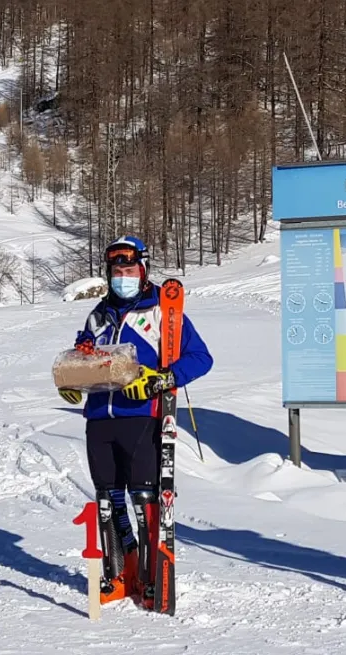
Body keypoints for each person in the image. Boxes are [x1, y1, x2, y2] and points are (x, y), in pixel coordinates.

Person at [58, 236, 212, 603]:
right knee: (108, 500)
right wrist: (72, 379)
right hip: (100, 418)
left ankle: (149, 575)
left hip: (141, 415)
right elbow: (86, 357)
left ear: (143, 270)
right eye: (116, 271)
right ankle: (118, 573)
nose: (122, 277)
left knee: (143, 498)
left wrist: (163, 379)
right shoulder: (97, 315)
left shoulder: (162, 311)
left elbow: (200, 358)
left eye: (129, 270)